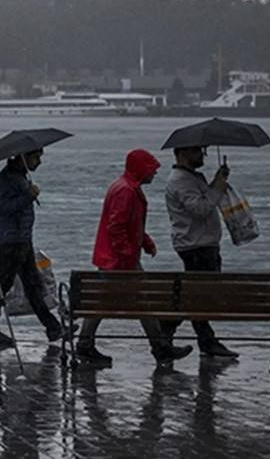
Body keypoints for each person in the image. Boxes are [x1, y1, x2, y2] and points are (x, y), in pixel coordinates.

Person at [75, 149, 194, 367]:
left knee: (107, 303)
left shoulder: (126, 187)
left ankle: (86, 345)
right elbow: (116, 226)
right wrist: (129, 253)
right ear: (141, 169)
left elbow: (130, 225)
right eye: (152, 169)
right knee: (139, 303)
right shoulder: (126, 191)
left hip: (115, 260)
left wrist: (145, 242)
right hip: (119, 262)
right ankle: (160, 348)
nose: (155, 174)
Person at [0, 148, 67, 348]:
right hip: (10, 240)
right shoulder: (7, 179)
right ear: (23, 157)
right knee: (4, 285)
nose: (39, 162)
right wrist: (28, 195)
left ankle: (53, 328)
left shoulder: (19, 176)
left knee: (32, 284)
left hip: (22, 239)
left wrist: (28, 193)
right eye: (36, 157)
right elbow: (2, 208)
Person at [160, 145, 238, 358]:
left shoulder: (191, 177)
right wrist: (218, 187)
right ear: (183, 153)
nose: (202, 155)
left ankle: (178, 331)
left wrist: (217, 180)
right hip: (196, 245)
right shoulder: (180, 181)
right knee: (198, 296)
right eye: (197, 151)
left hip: (203, 243)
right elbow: (201, 209)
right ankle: (193, 336)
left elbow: (205, 200)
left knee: (198, 294)